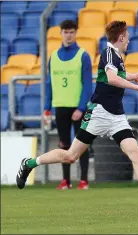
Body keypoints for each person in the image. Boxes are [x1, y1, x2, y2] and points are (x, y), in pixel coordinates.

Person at [16, 21, 138, 213]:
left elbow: (113, 75)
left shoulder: (116, 56)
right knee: (71, 156)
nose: (129, 39)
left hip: (117, 116)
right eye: (127, 35)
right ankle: (29, 163)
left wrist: (132, 75)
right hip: (99, 113)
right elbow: (112, 78)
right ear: (121, 37)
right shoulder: (109, 53)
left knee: (136, 153)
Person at [43, 20, 92, 190]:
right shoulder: (53, 57)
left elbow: (87, 85)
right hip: (60, 106)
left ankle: (84, 180)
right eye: (66, 32)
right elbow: (50, 83)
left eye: (71, 32)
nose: (69, 35)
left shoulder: (83, 55)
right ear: (61, 33)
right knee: (63, 144)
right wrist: (46, 107)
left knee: (82, 144)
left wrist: (81, 107)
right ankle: (66, 181)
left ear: (76, 33)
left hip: (78, 107)